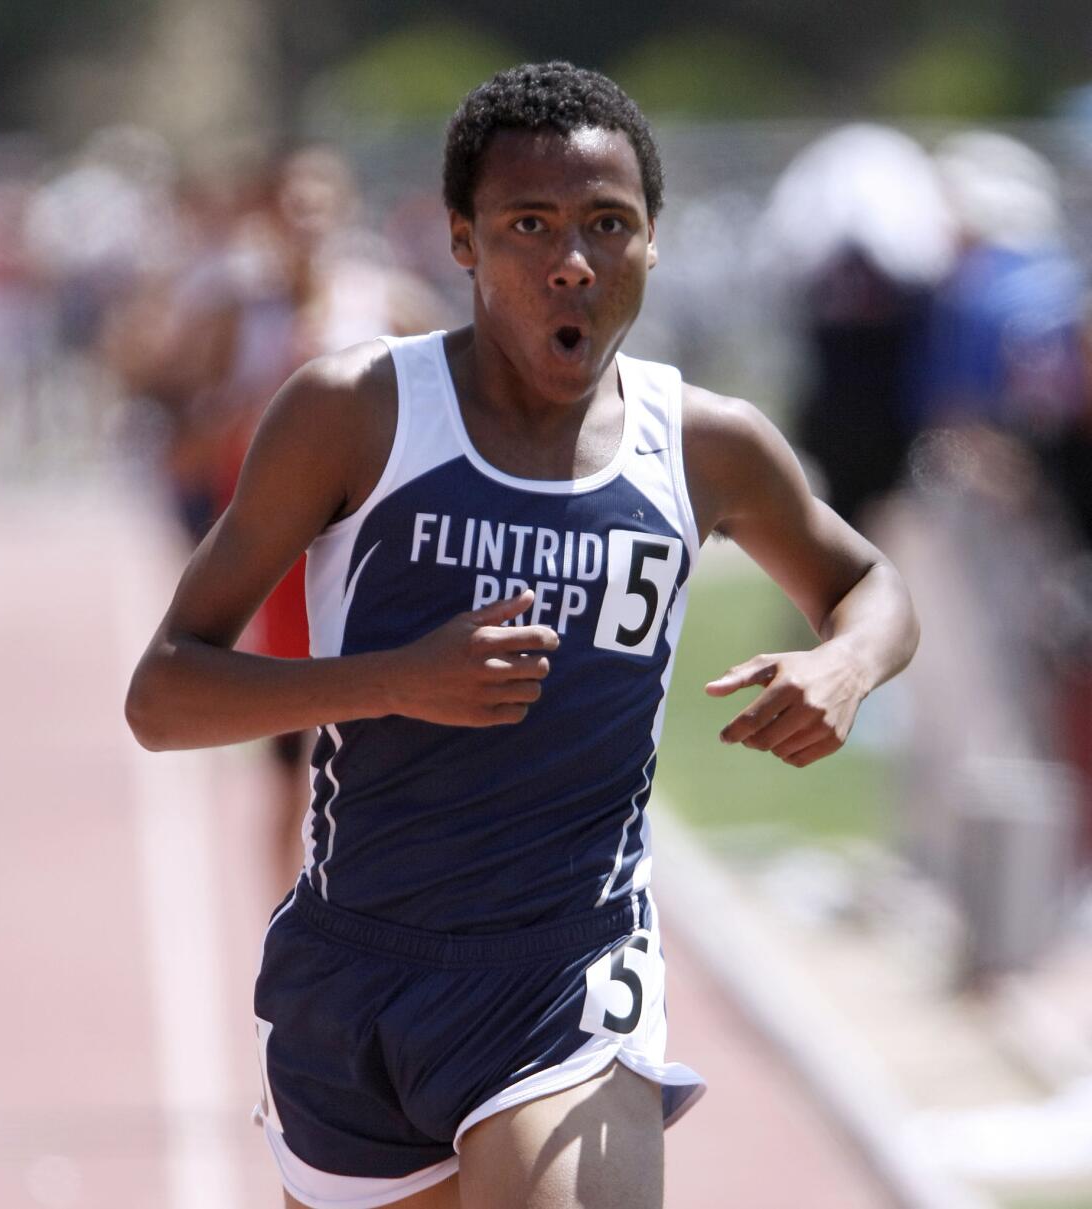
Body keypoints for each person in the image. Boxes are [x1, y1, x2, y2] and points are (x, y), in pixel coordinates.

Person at [126, 62, 919, 1209]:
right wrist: (395, 680)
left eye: (609, 225)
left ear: (655, 242)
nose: (573, 263)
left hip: (567, 970)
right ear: (461, 240)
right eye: (529, 226)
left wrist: (842, 664)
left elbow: (870, 582)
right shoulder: (355, 414)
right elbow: (162, 694)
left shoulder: (705, 445)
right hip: (357, 975)